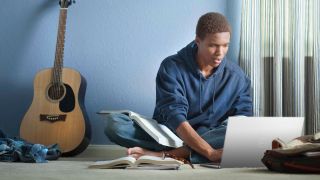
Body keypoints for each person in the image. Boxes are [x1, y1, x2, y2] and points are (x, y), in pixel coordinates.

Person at [104, 12, 253, 164]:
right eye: (213, 45)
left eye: (225, 45)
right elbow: (175, 116)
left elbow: (242, 121)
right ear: (198, 41)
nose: (220, 53)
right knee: (116, 124)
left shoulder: (237, 77)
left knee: (242, 130)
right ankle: (193, 152)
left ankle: (164, 155)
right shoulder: (171, 67)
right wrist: (210, 152)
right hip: (171, 133)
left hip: (211, 133)